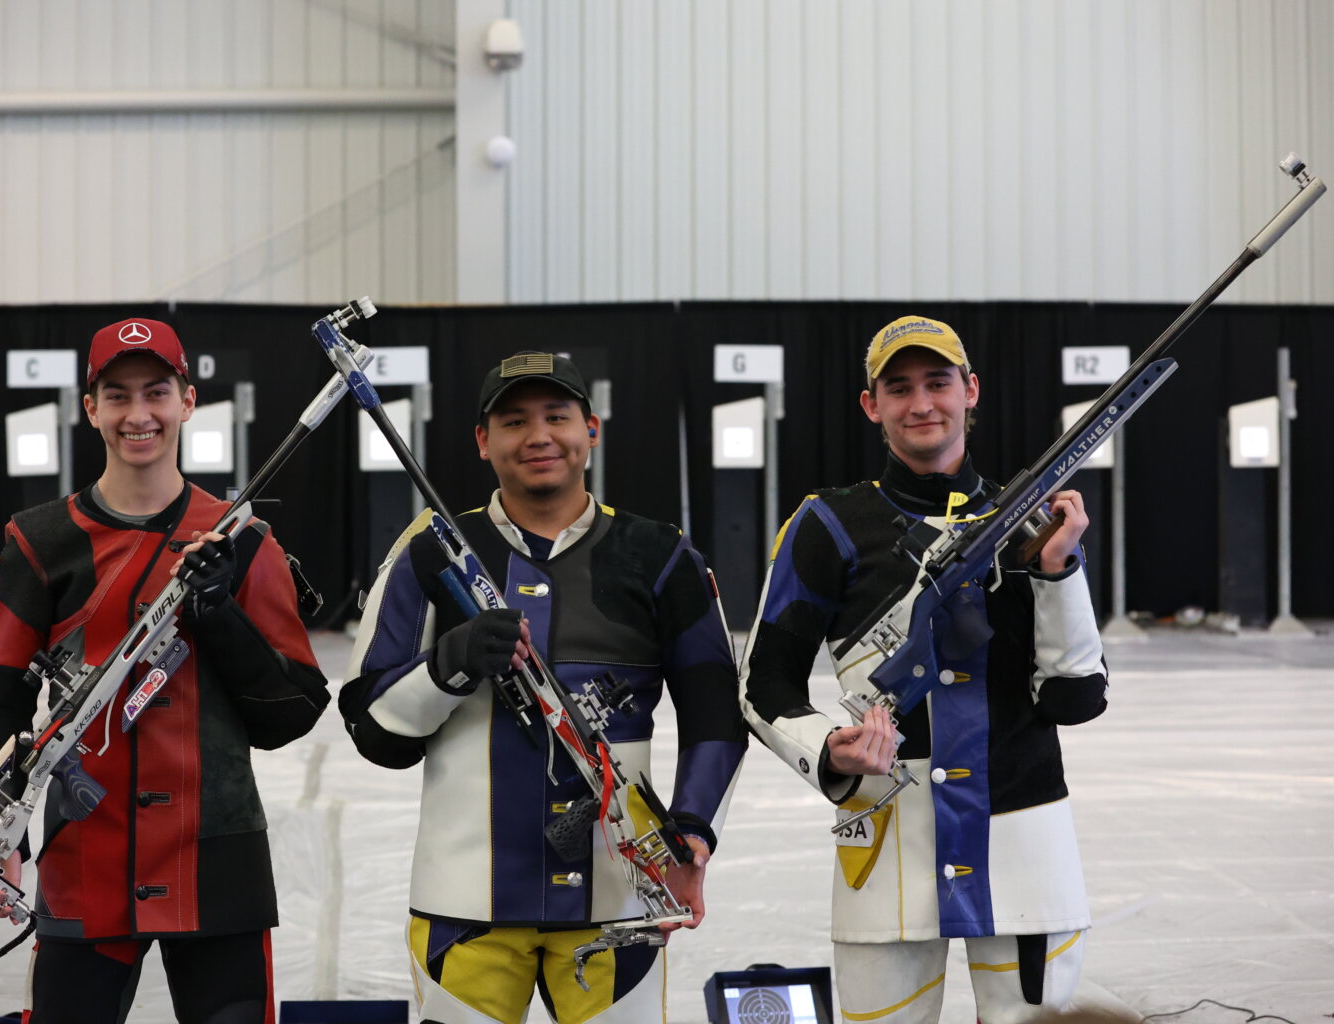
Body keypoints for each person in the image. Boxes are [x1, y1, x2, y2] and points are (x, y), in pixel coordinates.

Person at [339, 351, 747, 1024]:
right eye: (513, 420)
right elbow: (372, 727)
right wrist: (451, 664)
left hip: (619, 904)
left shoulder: (661, 554)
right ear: (482, 440)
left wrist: (693, 831)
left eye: (557, 416)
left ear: (591, 428)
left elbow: (716, 717)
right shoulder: (432, 550)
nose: (538, 436)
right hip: (463, 908)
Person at [0, 318, 330, 1024]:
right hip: (85, 860)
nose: (139, 415)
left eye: (156, 392)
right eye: (117, 395)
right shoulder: (40, 540)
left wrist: (221, 615)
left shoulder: (243, 541)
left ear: (188, 399)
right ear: (90, 408)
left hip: (218, 862)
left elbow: (292, 713)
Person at [740, 316, 1108, 1023]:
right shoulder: (827, 524)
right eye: (898, 387)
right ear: (870, 405)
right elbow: (763, 684)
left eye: (938, 383)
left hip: (1024, 838)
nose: (921, 404)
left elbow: (1074, 698)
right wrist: (829, 748)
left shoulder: (1032, 524)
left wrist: (1058, 571)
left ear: (970, 391)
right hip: (888, 836)